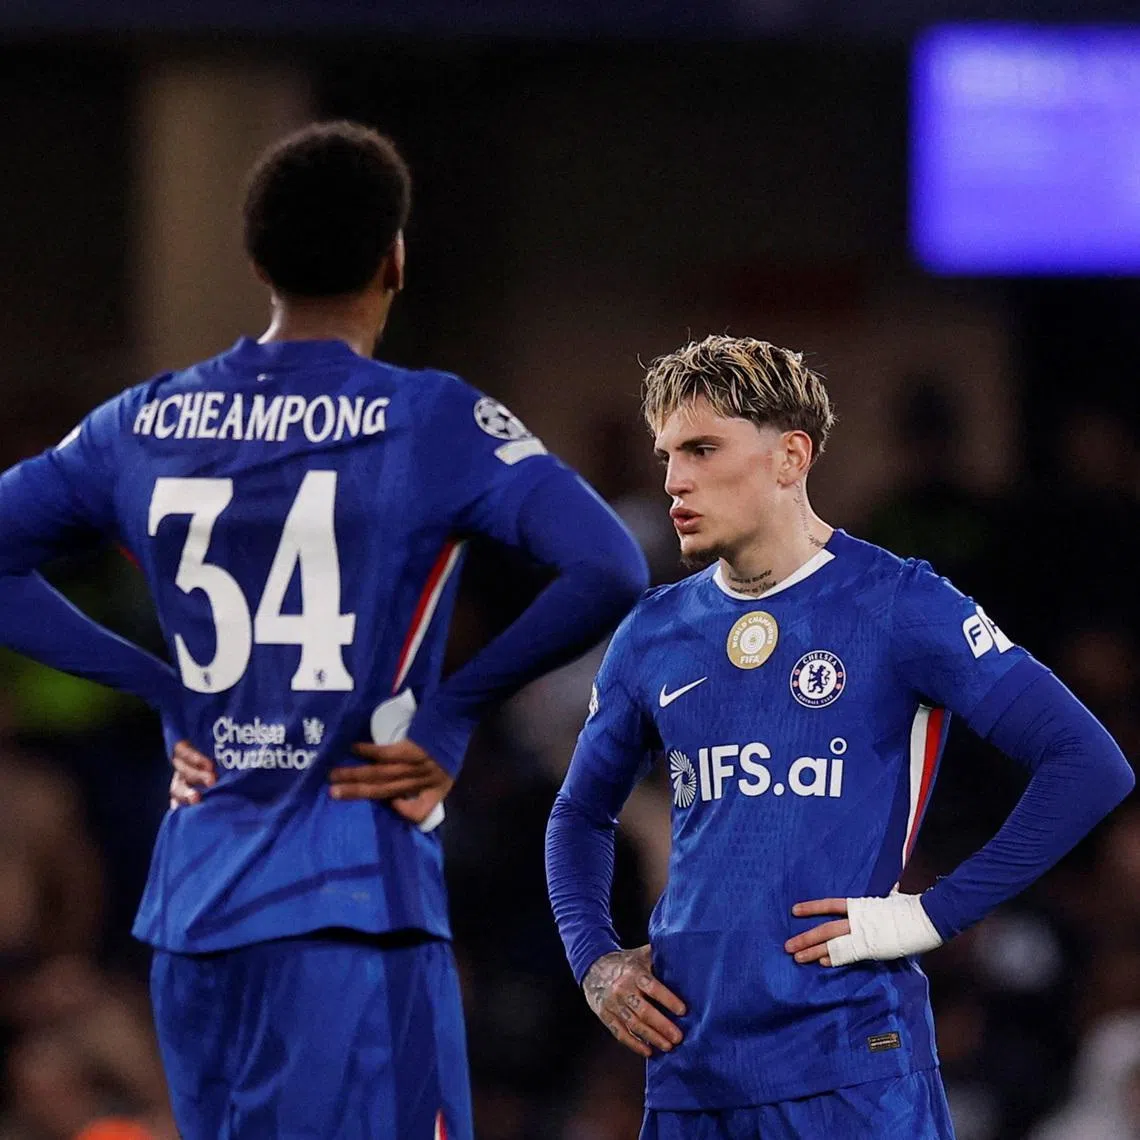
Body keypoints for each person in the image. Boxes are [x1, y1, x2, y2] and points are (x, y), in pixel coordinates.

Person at [0, 120, 649, 1140]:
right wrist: (452, 713)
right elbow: (608, 563)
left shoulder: (144, 422)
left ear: (256, 263)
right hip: (352, 901)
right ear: (394, 259)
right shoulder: (427, 420)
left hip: (195, 908)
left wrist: (161, 688)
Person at [544, 335, 1134, 1140]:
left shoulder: (901, 604)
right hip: (691, 1074)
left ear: (791, 457)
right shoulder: (652, 633)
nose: (675, 480)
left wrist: (931, 916)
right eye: (668, 454)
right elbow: (579, 815)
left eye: (704, 449)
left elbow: (1088, 764)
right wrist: (594, 959)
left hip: (852, 1071)